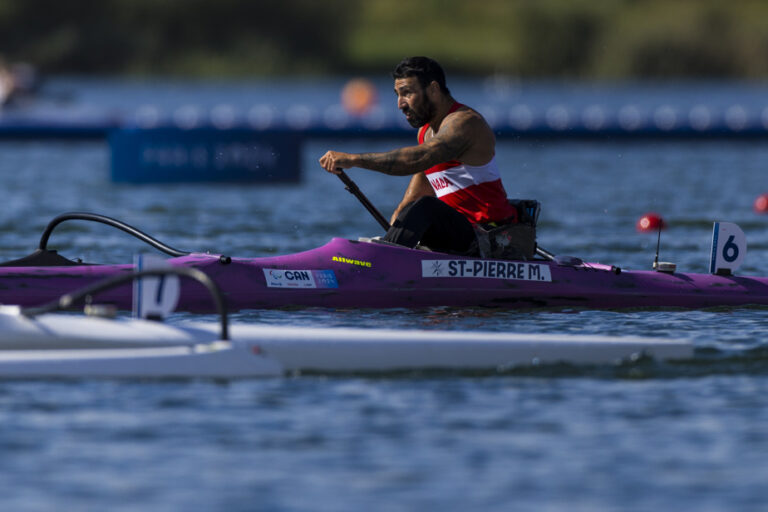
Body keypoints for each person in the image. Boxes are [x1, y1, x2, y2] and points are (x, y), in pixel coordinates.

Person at [319, 56, 517, 254]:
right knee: (416, 207)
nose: (400, 104)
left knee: (426, 207)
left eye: (407, 93)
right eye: (397, 94)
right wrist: (397, 225)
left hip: (490, 238)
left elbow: (416, 160)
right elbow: (415, 196)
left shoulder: (465, 123)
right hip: (458, 236)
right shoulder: (425, 131)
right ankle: (387, 257)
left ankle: (386, 260)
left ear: (433, 89)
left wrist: (354, 160)